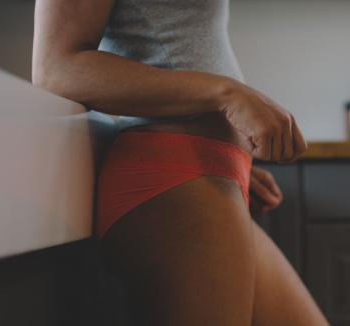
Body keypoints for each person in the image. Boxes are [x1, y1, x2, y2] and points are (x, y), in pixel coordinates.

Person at [33, 0, 329, 325]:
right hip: (172, 179)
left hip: (208, 177)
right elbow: (56, 69)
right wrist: (229, 94)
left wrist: (236, 165)